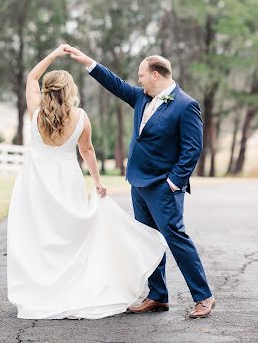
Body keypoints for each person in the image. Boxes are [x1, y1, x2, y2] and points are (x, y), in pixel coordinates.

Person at [6, 44, 167, 320]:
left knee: (40, 235)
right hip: (67, 181)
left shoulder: (34, 113)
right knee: (70, 235)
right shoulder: (80, 118)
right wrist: (97, 181)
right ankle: (71, 286)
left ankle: (43, 290)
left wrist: (55, 54)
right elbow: (87, 151)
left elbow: (31, 78)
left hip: (35, 184)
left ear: (47, 91)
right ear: (69, 92)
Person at [67, 46, 215, 319]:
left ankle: (203, 296)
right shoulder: (141, 98)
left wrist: (174, 182)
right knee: (148, 239)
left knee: (176, 238)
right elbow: (115, 83)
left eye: (142, 75)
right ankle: (158, 295)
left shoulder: (185, 105)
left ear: (156, 75)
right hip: (139, 183)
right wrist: (89, 62)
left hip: (164, 186)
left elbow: (192, 148)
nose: (138, 80)